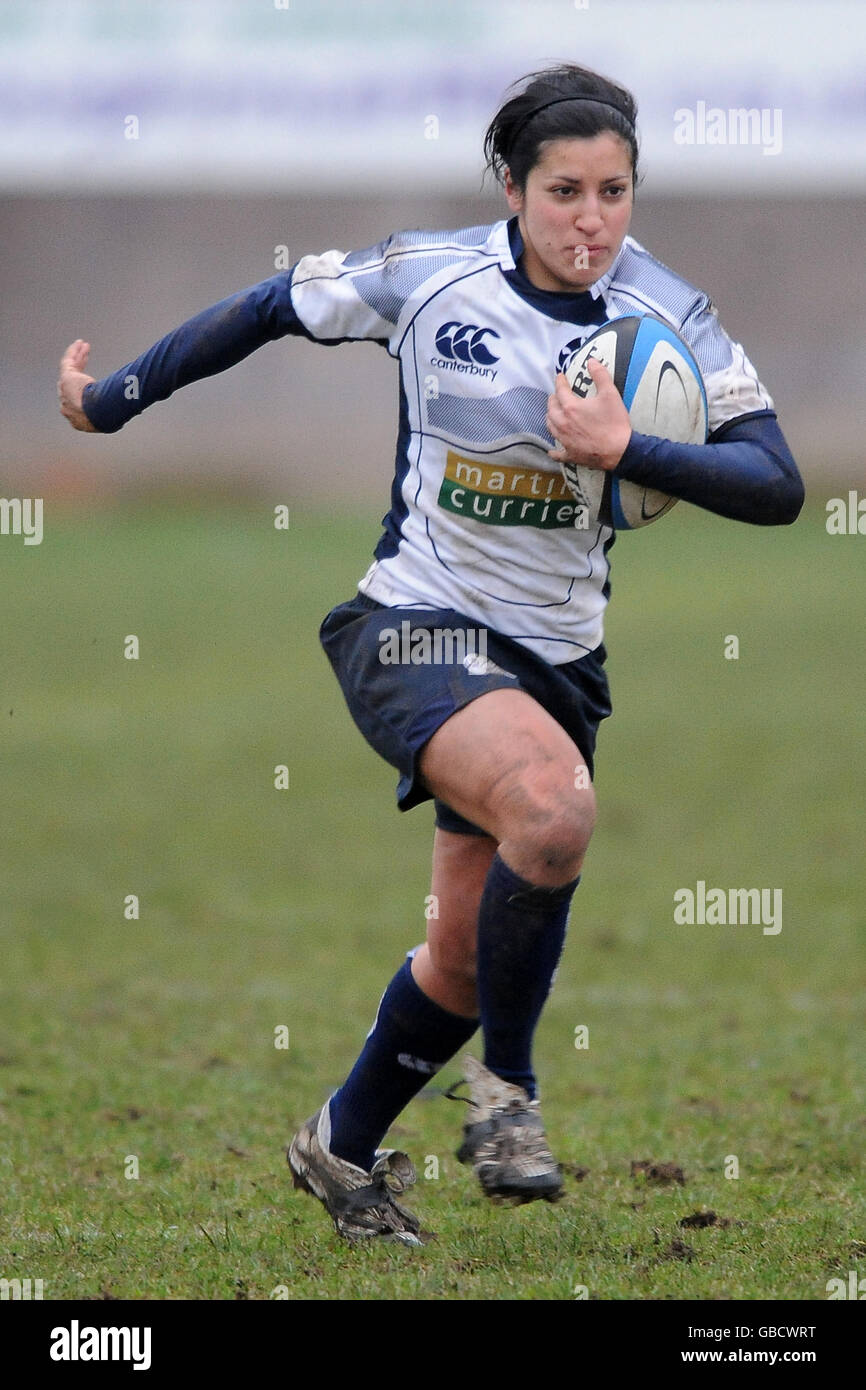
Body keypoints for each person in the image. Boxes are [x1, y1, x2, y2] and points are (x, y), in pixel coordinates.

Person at [58, 62, 804, 1249]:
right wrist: (114, 401)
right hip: (410, 626)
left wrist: (627, 449)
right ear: (510, 189)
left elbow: (776, 486)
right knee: (554, 815)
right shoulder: (428, 276)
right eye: (563, 191)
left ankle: (337, 1146)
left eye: (613, 192)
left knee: (460, 956)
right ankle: (507, 1094)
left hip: (556, 659)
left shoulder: (668, 313)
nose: (590, 221)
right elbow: (268, 307)